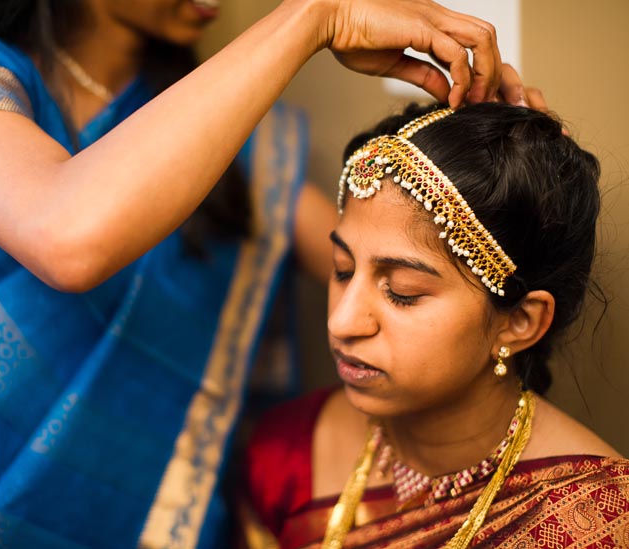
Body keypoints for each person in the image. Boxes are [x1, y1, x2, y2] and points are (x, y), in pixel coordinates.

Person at [0, 0, 531, 546]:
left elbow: (363, 259)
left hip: (134, 512)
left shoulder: (215, 126)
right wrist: (313, 18)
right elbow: (66, 234)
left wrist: (501, 187)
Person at [241, 102, 629, 548]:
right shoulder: (285, 451)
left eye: (402, 292)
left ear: (519, 322)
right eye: (342, 269)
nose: (342, 321)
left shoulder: (596, 520)